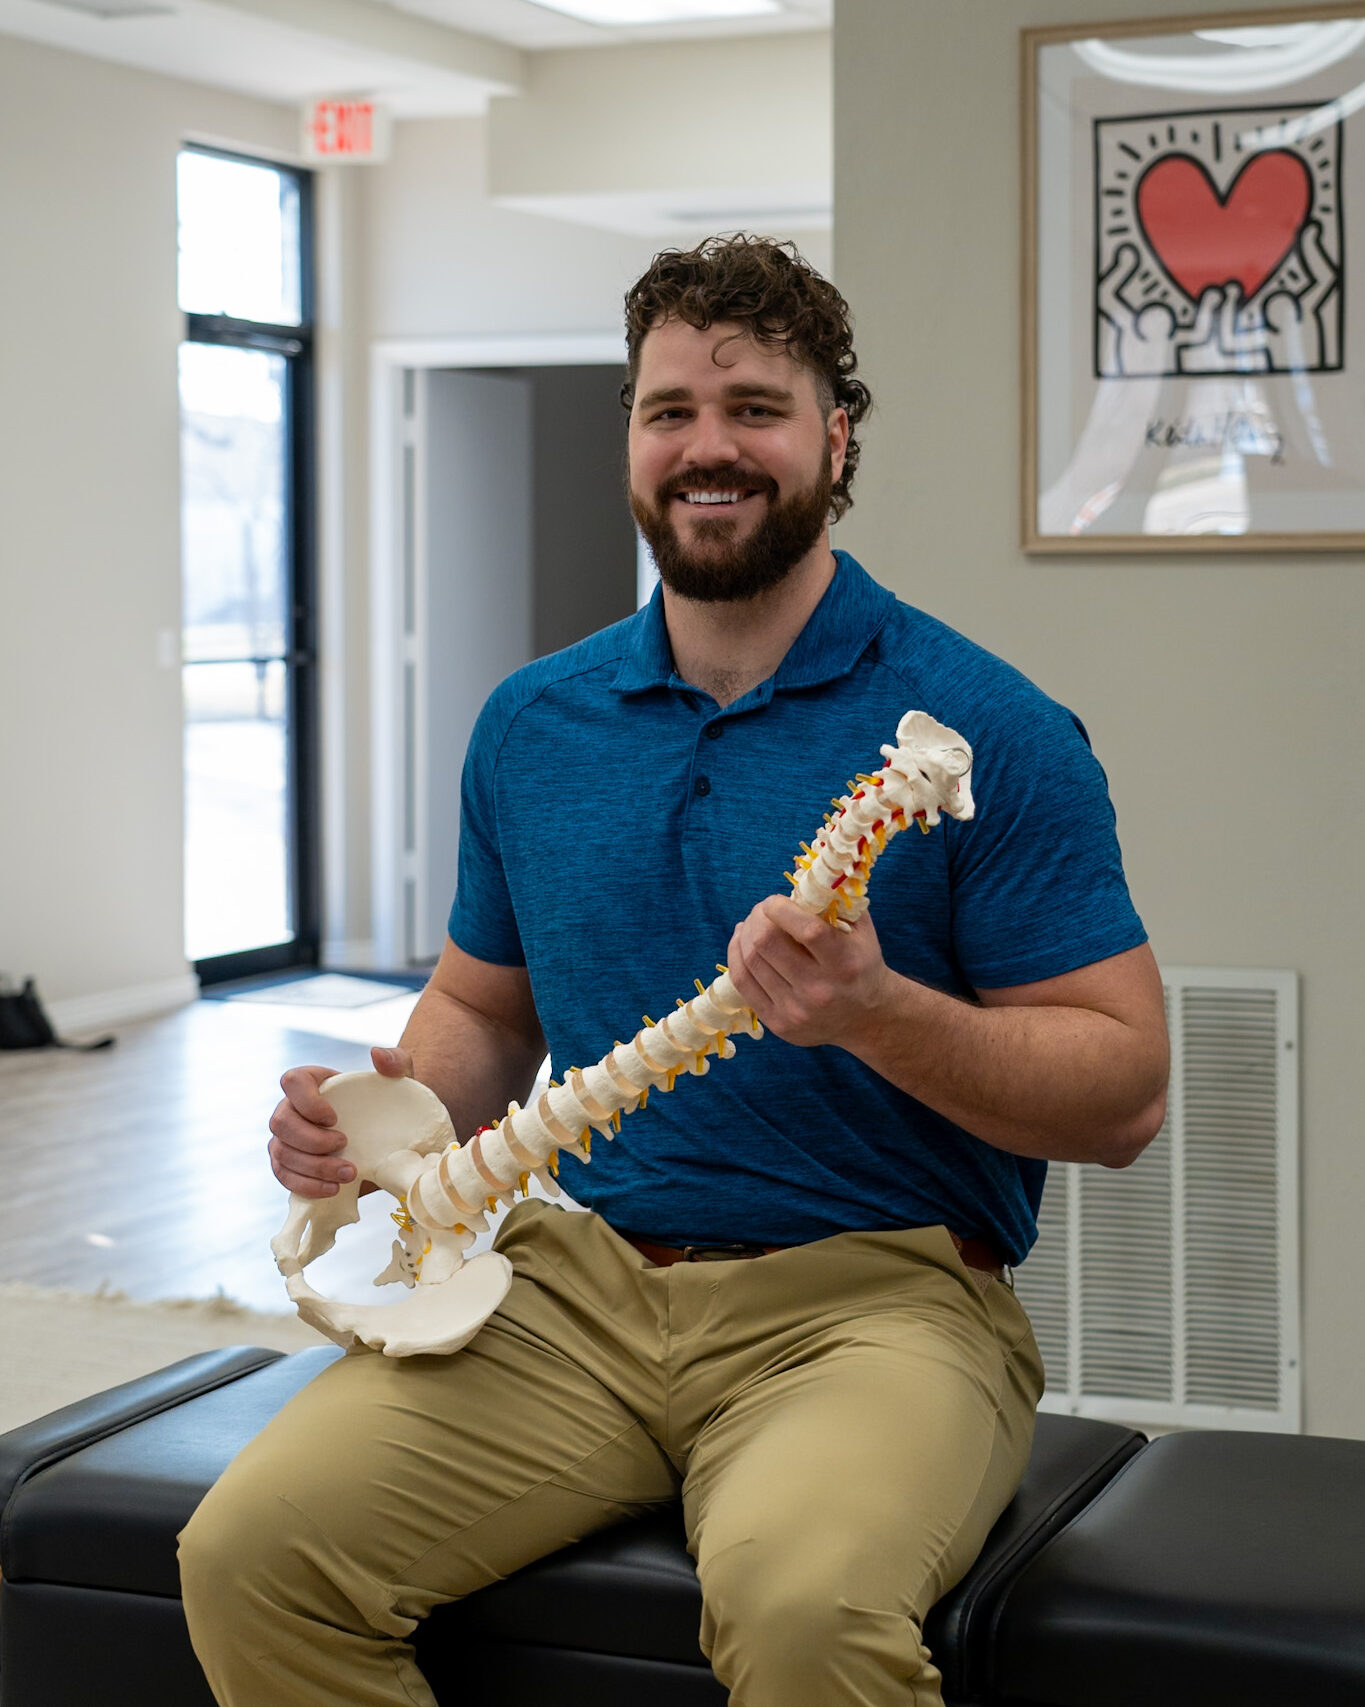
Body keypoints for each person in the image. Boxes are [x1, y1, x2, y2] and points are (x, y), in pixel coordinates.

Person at [179, 235, 1169, 1707]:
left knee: (802, 1611)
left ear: (838, 437)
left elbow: (1124, 1094)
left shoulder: (990, 726)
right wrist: (379, 1124)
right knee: (250, 1555)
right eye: (669, 412)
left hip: (875, 1306)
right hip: (574, 1285)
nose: (710, 447)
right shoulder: (534, 725)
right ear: (634, 442)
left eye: (755, 407)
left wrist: (878, 1014)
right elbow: (483, 1007)